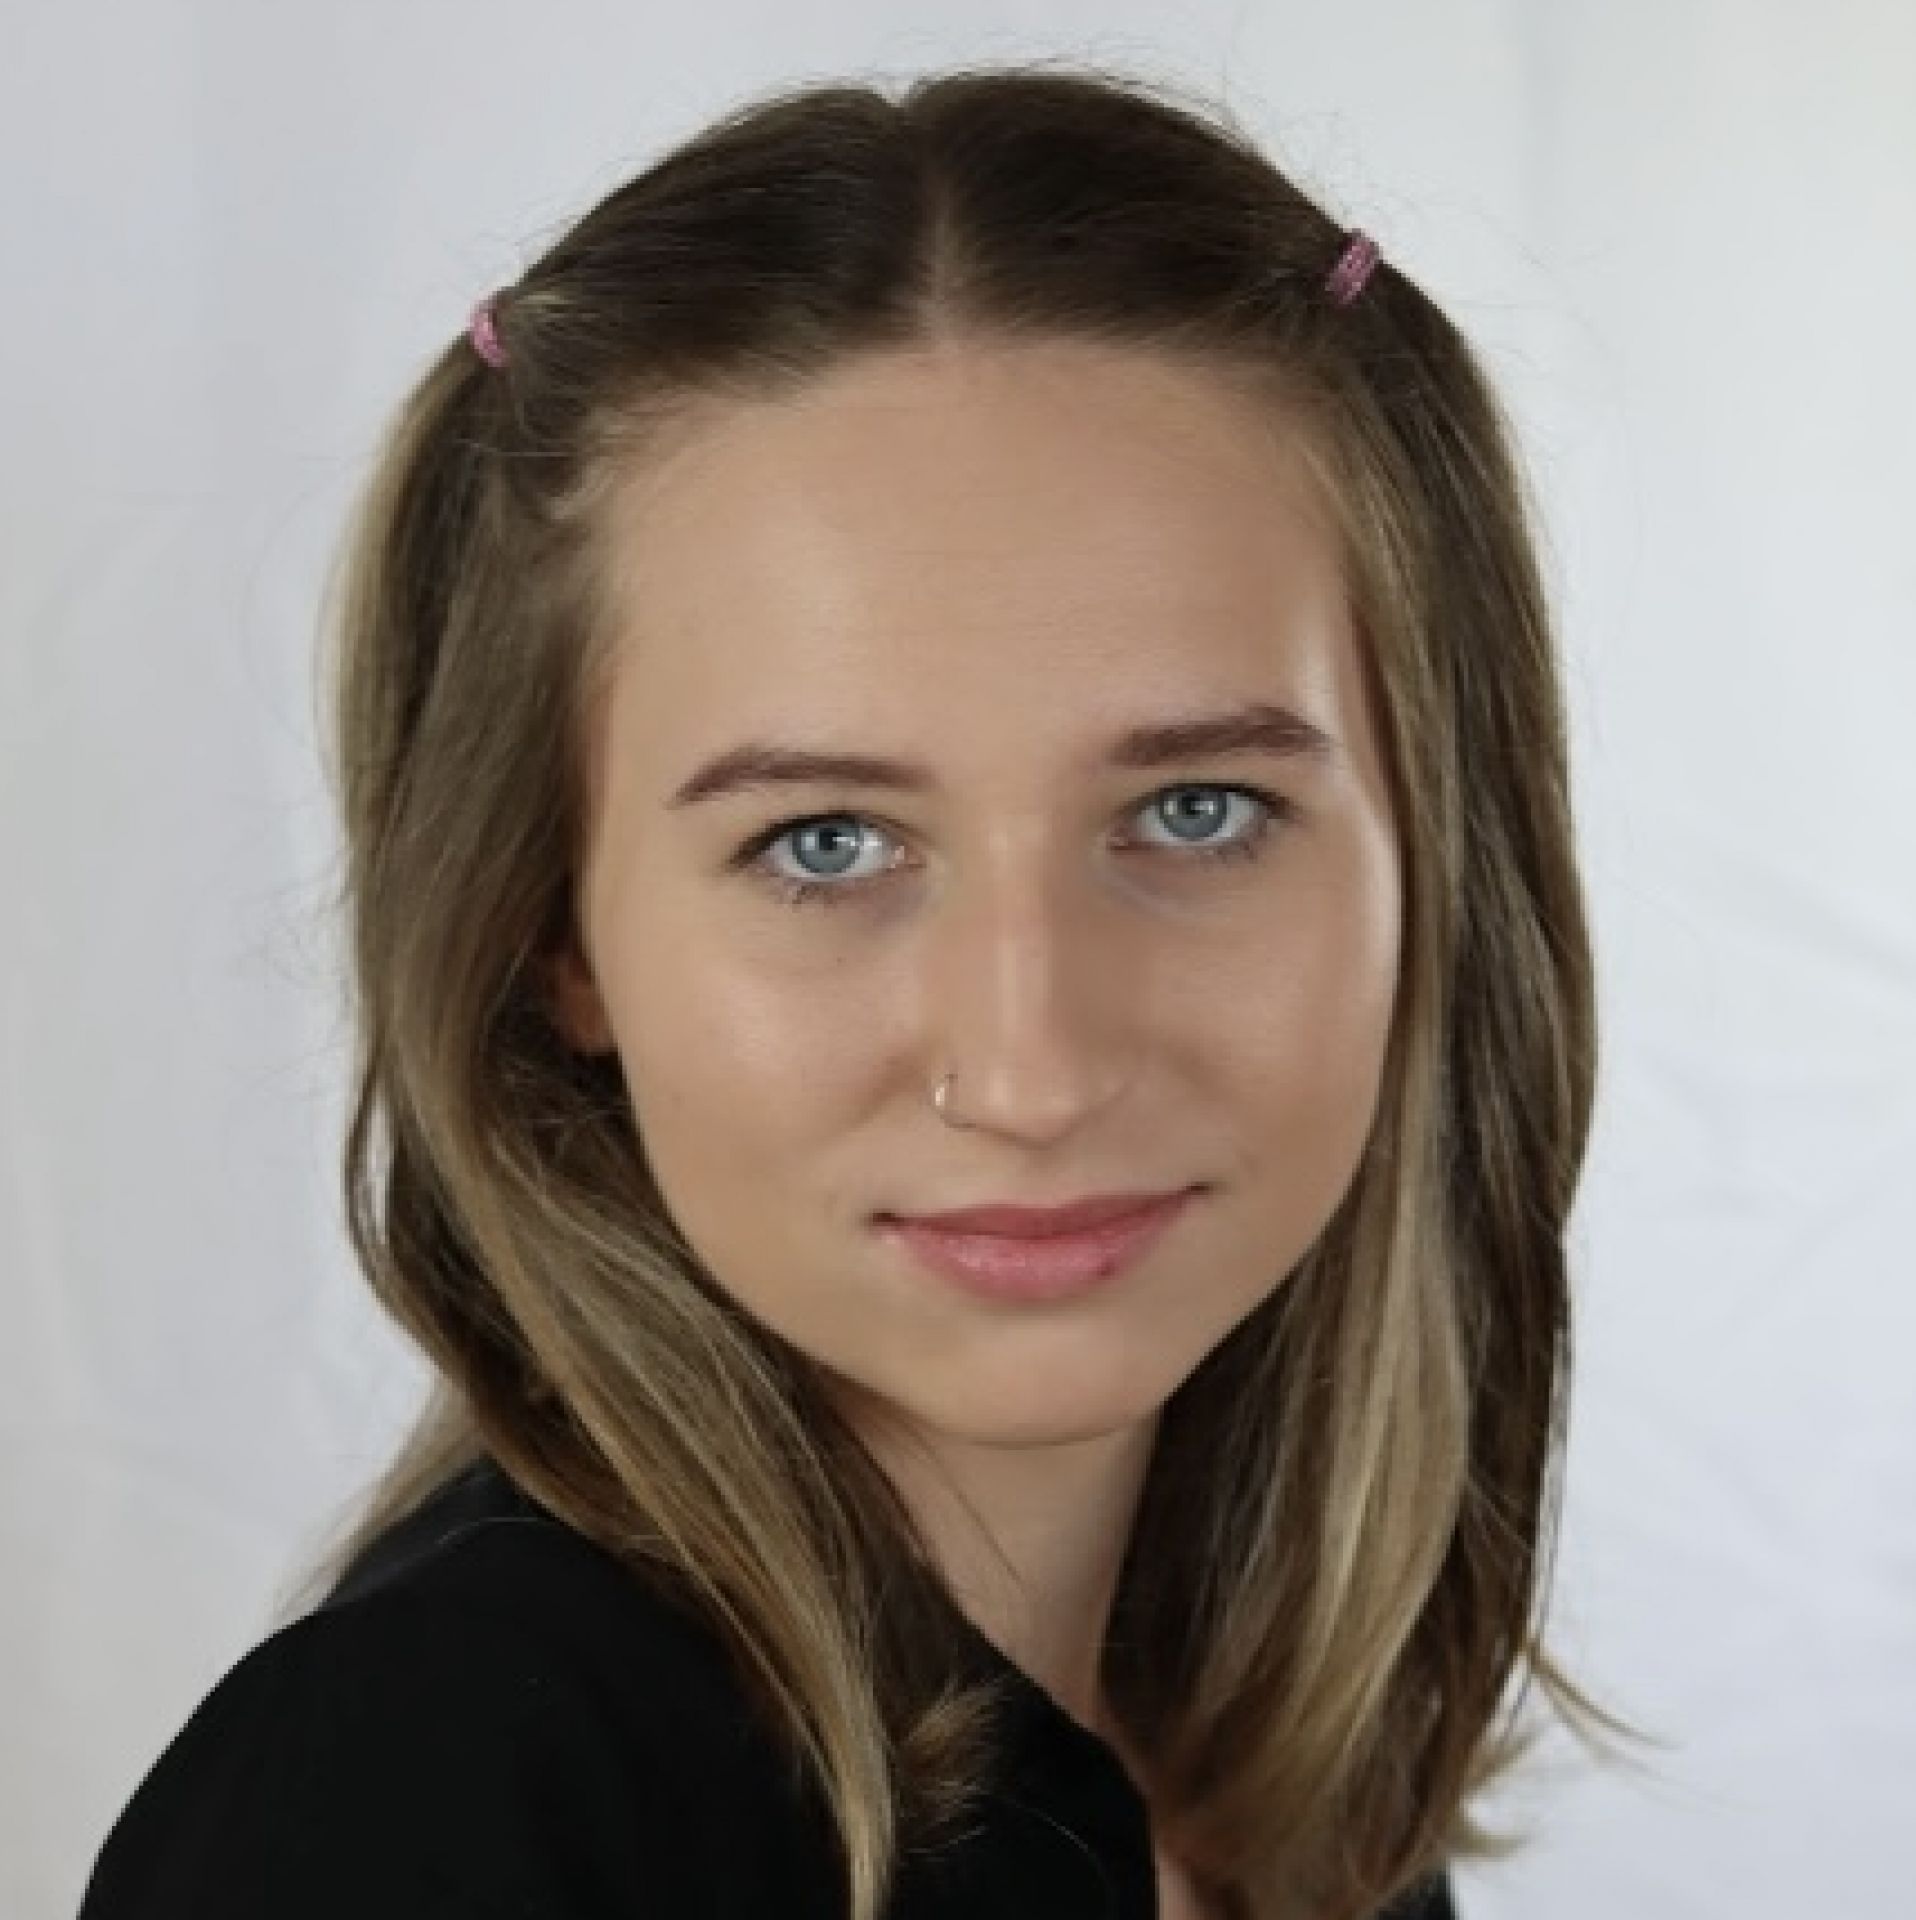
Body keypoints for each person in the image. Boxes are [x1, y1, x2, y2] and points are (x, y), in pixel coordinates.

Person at [78, 60, 1645, 1920]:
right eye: (825, 843)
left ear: (1437, 863)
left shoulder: (1281, 1788)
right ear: (549, 934)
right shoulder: (416, 1811)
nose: (1032, 1067)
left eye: (1198, 810)